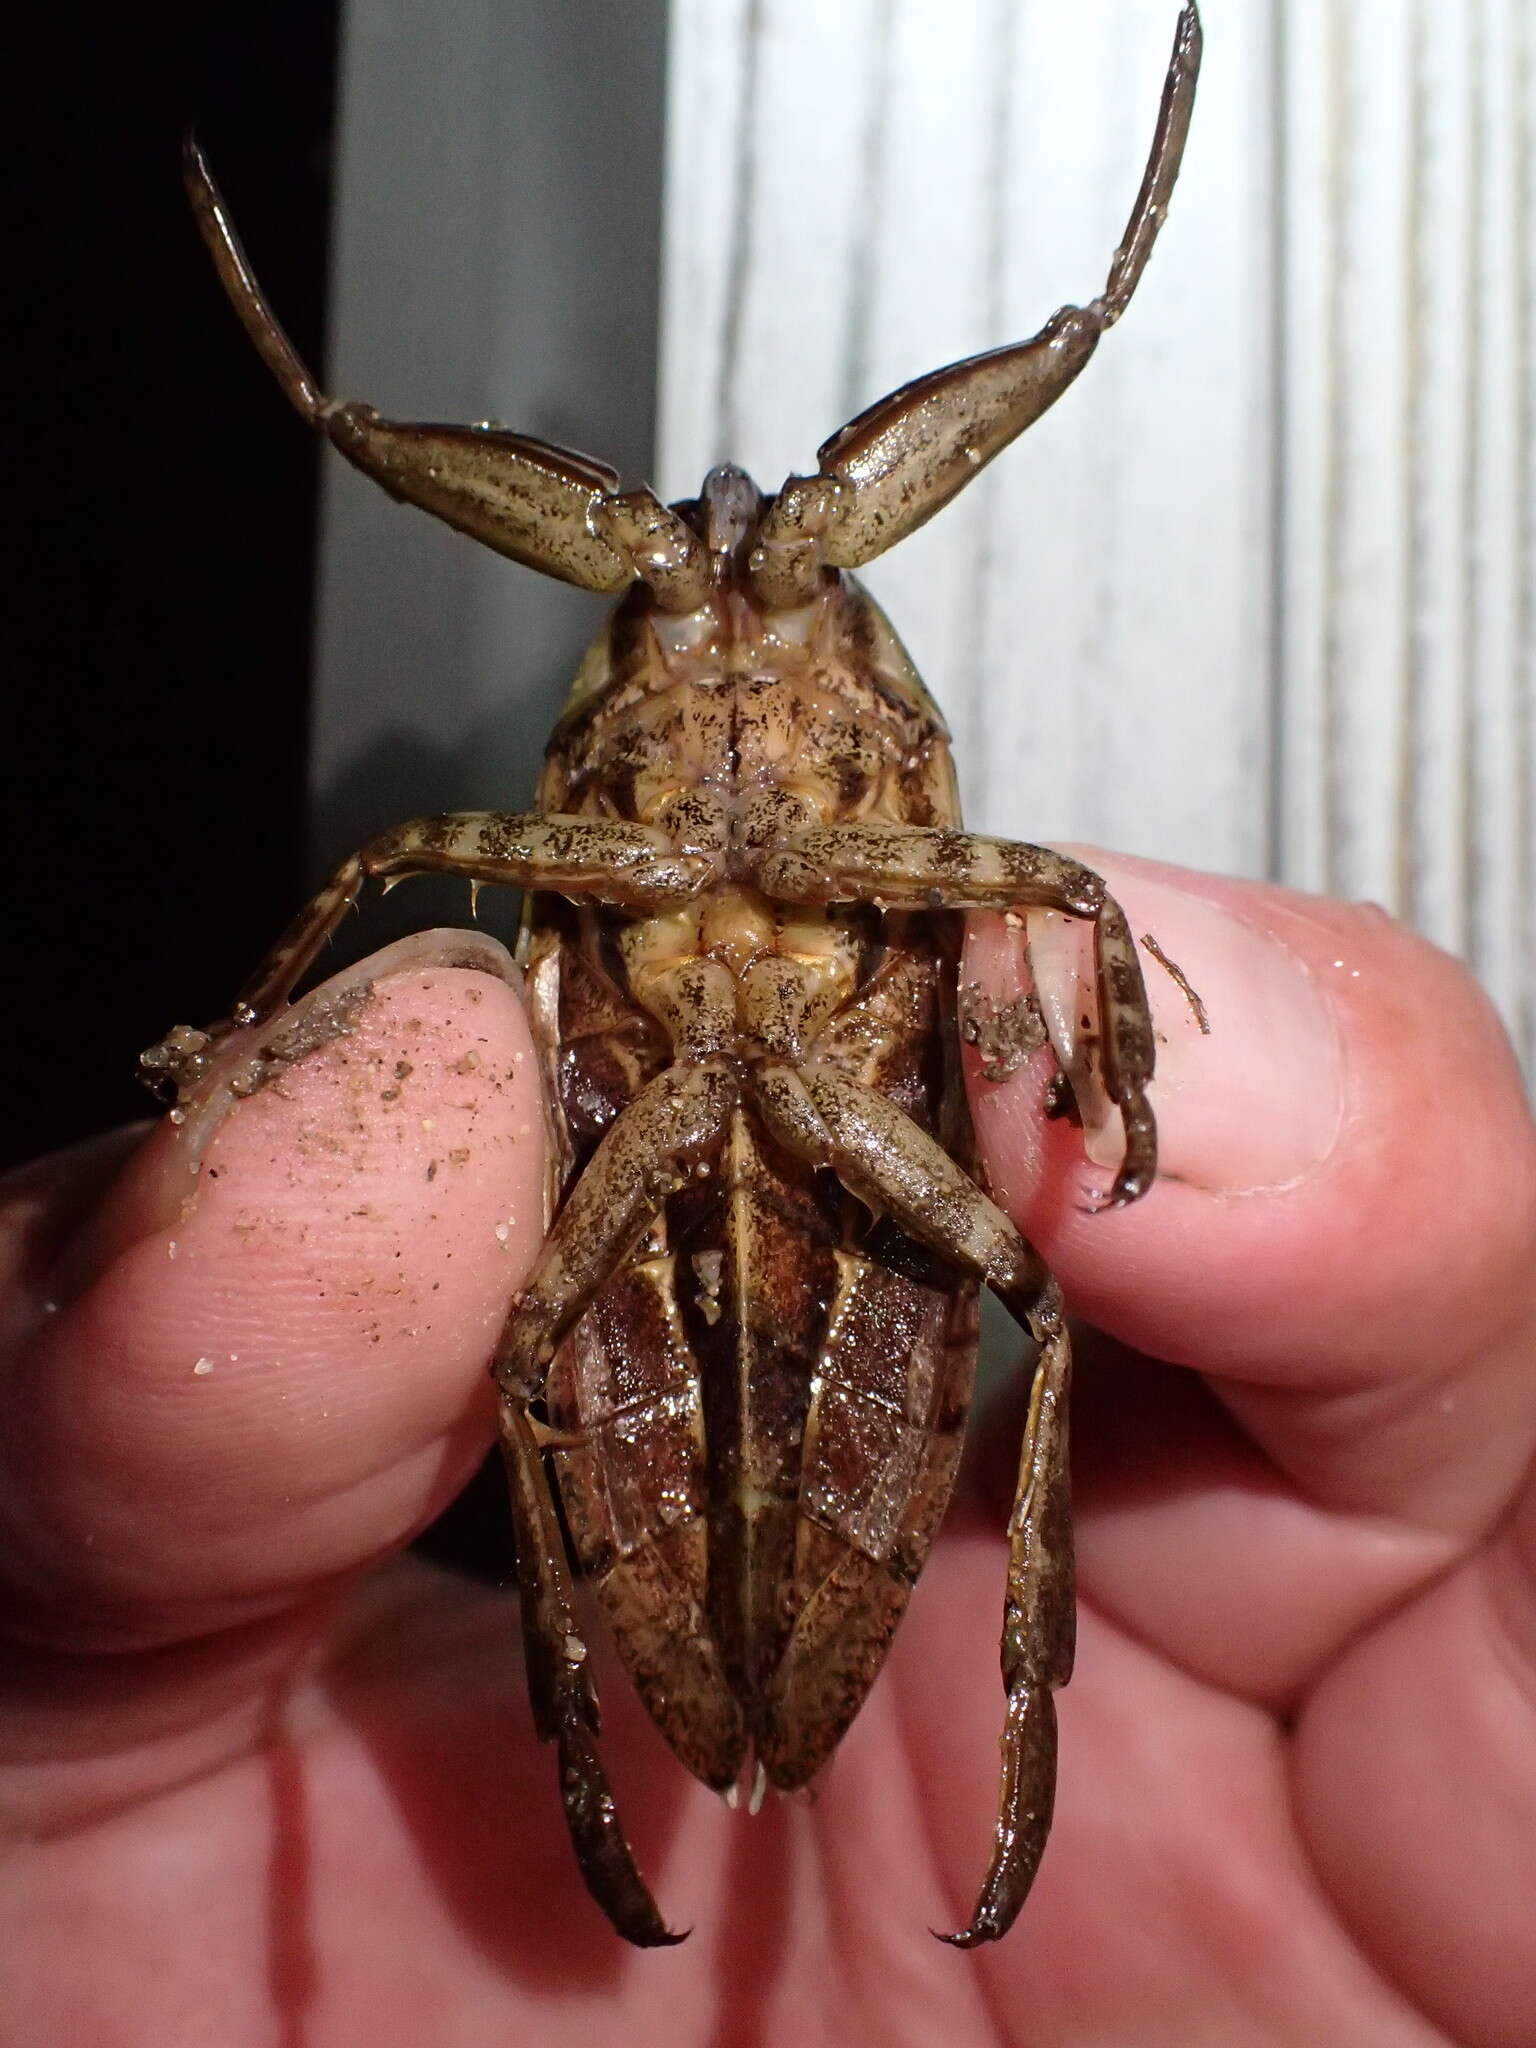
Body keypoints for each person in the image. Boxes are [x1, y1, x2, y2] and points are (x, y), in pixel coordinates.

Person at [2, 850, 1532, 2045]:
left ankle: (986, 1703)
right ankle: (597, 1742)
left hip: (816, 1177)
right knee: (541, 1327)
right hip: (662, 1204)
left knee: (1011, 1299)